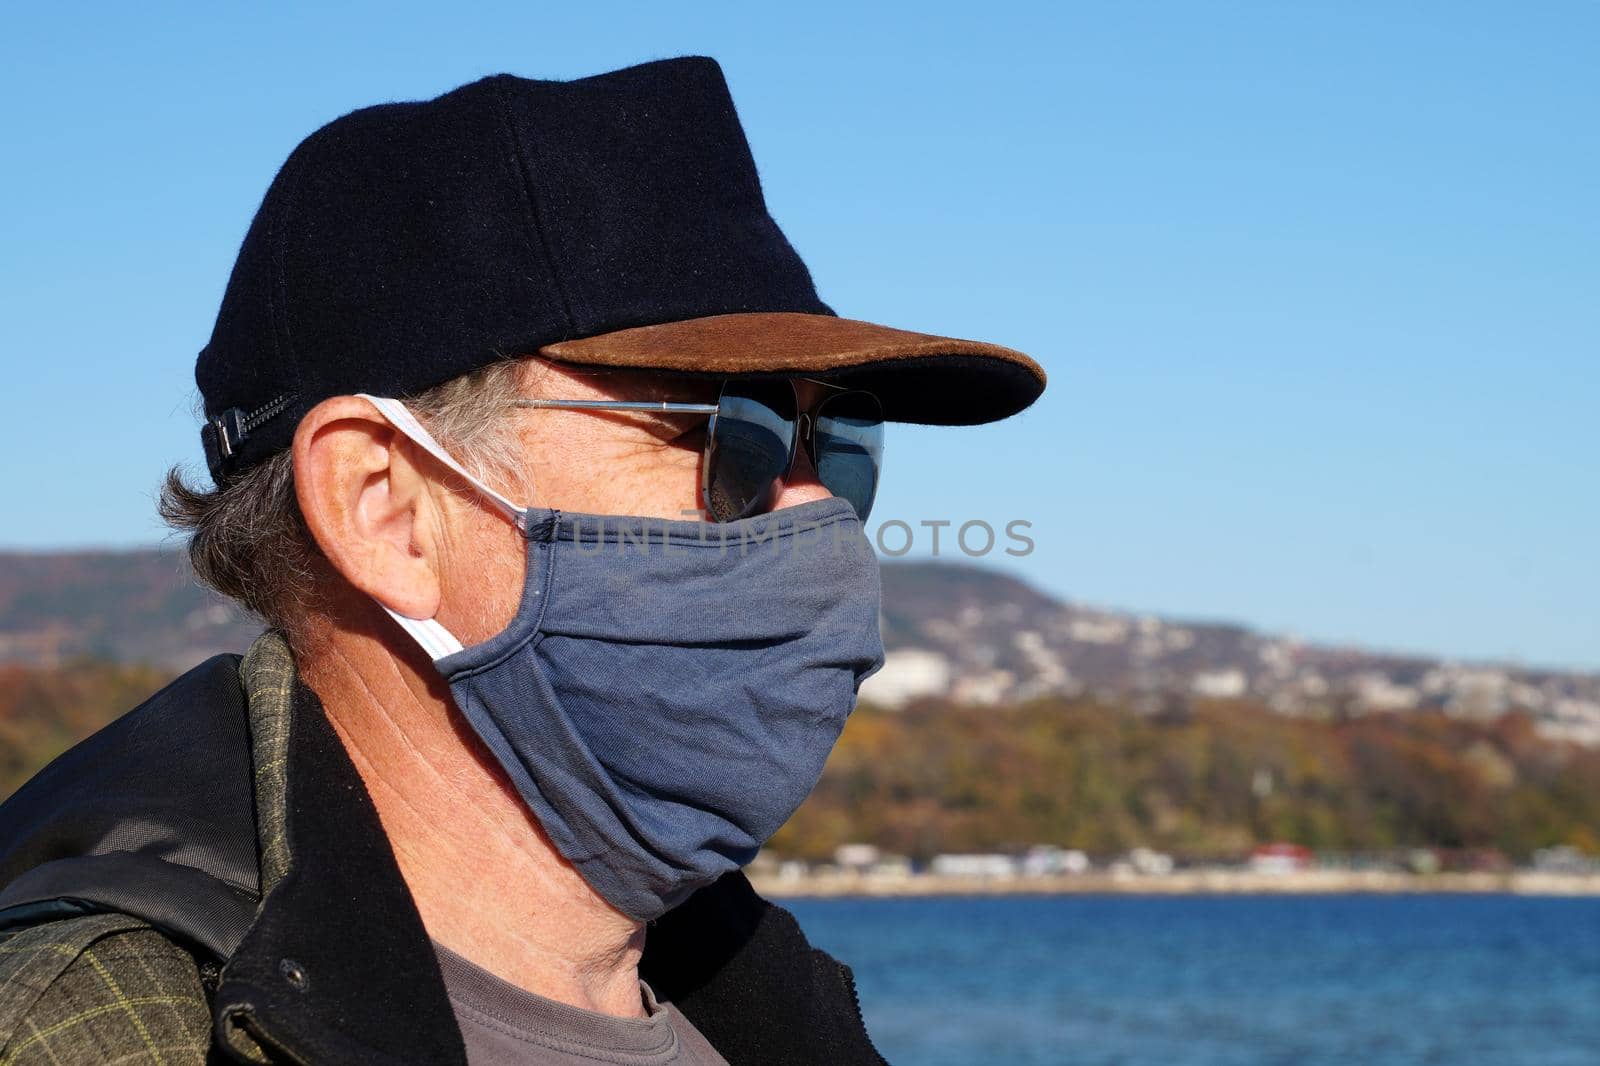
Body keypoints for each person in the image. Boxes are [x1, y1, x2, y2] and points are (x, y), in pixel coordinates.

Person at [0, 56, 1043, 1065]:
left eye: (840, 443)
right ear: (385, 509)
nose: (817, 513)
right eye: (740, 431)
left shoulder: (774, 1013)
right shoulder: (86, 1032)